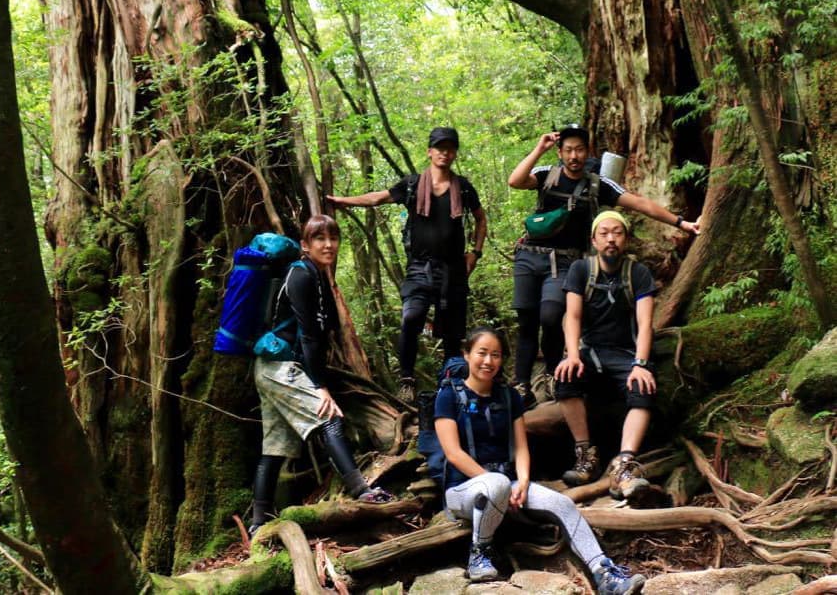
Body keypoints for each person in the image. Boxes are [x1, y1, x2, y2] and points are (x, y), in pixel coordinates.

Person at [435, 326, 646, 593]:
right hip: (462, 491)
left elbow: (521, 448)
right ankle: (479, 554)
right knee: (496, 484)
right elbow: (453, 453)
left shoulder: (509, 397)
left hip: (509, 484)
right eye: (482, 353)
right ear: (467, 354)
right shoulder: (448, 396)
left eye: (496, 355)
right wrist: (493, 483)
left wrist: (522, 482)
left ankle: (605, 573)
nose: (488, 361)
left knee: (562, 503)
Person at [508, 123, 699, 406]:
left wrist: (681, 223)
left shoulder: (599, 183)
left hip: (564, 262)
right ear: (560, 152)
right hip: (529, 255)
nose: (574, 156)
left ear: (587, 152)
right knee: (526, 320)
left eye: (580, 150)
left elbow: (640, 203)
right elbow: (515, 180)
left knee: (550, 316)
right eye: (569, 150)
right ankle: (521, 385)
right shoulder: (547, 175)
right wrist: (540, 148)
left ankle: (551, 374)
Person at [250, 215, 393, 535]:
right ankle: (362, 491)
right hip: (281, 368)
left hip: (271, 369)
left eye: (333, 237)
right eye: (319, 238)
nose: (328, 244)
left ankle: (259, 521)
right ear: (305, 245)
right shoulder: (301, 275)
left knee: (275, 449)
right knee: (329, 418)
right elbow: (310, 337)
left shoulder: (314, 274)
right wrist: (320, 386)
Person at [327, 127, 487, 403]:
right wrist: (342, 202)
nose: (444, 153)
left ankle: (449, 387)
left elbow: (480, 219)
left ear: (455, 153)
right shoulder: (413, 185)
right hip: (420, 267)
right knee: (412, 317)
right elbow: (377, 198)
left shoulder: (464, 187)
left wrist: (475, 252)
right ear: (430, 151)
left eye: (450, 148)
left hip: (453, 270)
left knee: (452, 333)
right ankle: (406, 379)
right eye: (439, 147)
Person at [553, 212, 656, 498]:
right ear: (594, 240)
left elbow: (646, 323)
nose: (611, 239)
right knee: (565, 378)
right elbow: (571, 316)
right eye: (605, 233)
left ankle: (623, 464)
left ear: (625, 238)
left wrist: (641, 364)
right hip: (589, 352)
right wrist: (572, 355)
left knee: (642, 387)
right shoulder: (580, 270)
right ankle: (586, 454)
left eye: (618, 233)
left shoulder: (638, 273)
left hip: (626, 354)